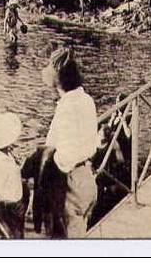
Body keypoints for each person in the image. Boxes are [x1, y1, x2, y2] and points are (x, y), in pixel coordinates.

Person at [40, 47, 99, 237]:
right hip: (88, 177)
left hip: (71, 183)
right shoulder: (87, 99)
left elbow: (63, 155)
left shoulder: (66, 106)